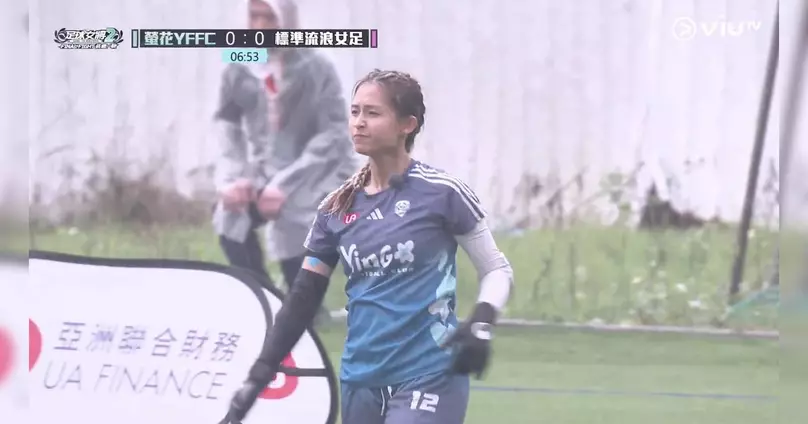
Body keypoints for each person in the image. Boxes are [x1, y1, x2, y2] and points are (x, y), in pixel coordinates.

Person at [220, 69, 514, 424]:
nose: (359, 122)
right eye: (355, 111)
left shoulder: (443, 193)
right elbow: (303, 298)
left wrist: (482, 321)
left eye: (373, 113)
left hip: (430, 373)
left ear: (407, 124)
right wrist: (259, 375)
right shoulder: (335, 208)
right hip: (360, 381)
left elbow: (496, 268)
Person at [212, 0, 357, 296]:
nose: (261, 26)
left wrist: (285, 184)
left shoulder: (316, 65)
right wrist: (234, 178)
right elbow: (227, 122)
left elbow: (333, 133)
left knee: (292, 230)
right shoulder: (240, 63)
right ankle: (264, 296)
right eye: (254, 16)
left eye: (270, 18)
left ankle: (302, 304)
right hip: (266, 170)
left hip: (317, 173)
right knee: (231, 215)